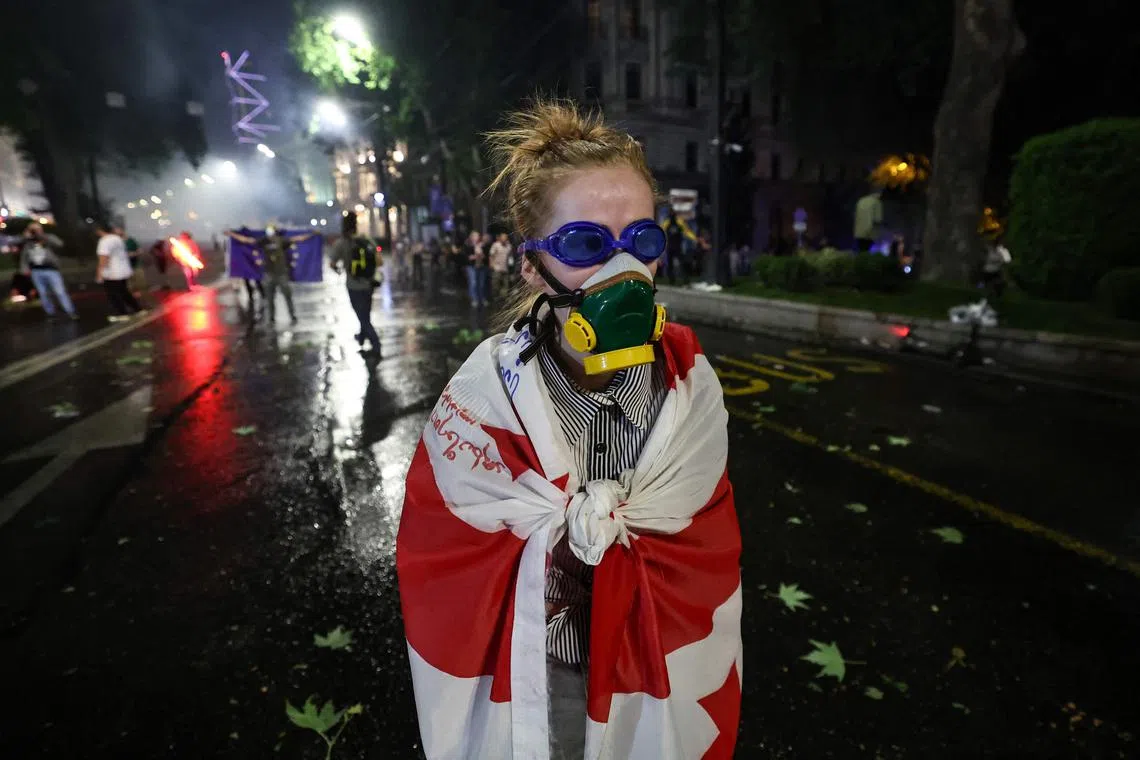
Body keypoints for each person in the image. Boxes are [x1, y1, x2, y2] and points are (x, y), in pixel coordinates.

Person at [397, 99, 742, 759]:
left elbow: (704, 548)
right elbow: (441, 554)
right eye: (587, 244)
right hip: (540, 675)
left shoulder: (689, 386)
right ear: (531, 264)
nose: (624, 273)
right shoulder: (482, 405)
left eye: (642, 240)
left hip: (655, 670)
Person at [226, 225, 314, 323]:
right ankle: (272, 318)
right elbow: (247, 240)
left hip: (281, 274)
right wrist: (231, 234)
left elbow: (298, 239)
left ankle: (292, 316)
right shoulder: (263, 241)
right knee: (270, 299)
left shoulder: (282, 241)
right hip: (269, 274)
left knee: (287, 296)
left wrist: (312, 234)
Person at [329, 213, 382, 356]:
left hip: (354, 286)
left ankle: (376, 345)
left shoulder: (341, 243)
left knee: (363, 317)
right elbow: (379, 260)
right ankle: (362, 337)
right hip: (369, 284)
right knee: (365, 315)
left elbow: (332, 263)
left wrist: (339, 270)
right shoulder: (365, 239)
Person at [18, 223, 77, 320]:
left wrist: (41, 235)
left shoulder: (48, 238)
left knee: (60, 291)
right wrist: (26, 236)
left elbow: (59, 244)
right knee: (43, 293)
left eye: (36, 229)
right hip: (36, 271)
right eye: (32, 230)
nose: (34, 232)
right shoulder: (28, 242)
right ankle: (51, 313)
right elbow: (23, 256)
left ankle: (70, 311)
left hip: (51, 270)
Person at [96, 222, 143, 322]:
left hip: (112, 273)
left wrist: (99, 274)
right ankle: (138, 309)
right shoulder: (117, 239)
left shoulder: (104, 241)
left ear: (100, 231)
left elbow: (103, 259)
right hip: (123, 270)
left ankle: (122, 313)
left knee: (113, 294)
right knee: (124, 291)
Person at [661, 209, 696, 284]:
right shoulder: (667, 222)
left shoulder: (679, 222)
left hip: (677, 246)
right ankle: (672, 280)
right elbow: (662, 231)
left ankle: (685, 279)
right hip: (671, 246)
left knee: (681, 263)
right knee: (670, 265)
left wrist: (694, 238)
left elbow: (686, 231)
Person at [853, 187, 884, 252]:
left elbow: (856, 215)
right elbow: (878, 219)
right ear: (879, 194)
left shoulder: (861, 201)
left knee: (861, 250)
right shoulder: (877, 202)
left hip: (859, 231)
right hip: (870, 233)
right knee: (867, 251)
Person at [489, 231, 513, 299]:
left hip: (505, 268)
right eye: (503, 237)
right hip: (497, 268)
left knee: (506, 285)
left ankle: (503, 298)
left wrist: (511, 265)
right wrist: (491, 264)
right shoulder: (496, 245)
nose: (504, 238)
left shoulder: (509, 246)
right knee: (496, 284)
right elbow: (491, 255)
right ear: (500, 238)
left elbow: (510, 257)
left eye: (506, 237)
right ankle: (496, 297)